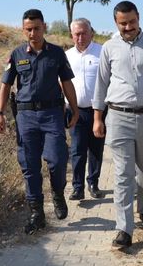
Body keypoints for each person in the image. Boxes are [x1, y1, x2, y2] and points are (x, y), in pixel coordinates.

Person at [92, 0, 143, 249]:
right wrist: (98, 117)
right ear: (116, 23)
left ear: (138, 18)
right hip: (118, 117)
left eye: (131, 22)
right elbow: (101, 84)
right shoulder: (109, 48)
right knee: (123, 174)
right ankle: (124, 229)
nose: (128, 27)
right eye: (122, 23)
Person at [0, 9, 80, 235]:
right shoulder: (16, 54)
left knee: (58, 159)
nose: (33, 33)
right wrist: (0, 114)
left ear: (44, 27)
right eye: (28, 29)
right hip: (26, 117)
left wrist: (75, 108)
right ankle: (37, 213)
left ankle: (58, 193)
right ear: (24, 30)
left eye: (37, 28)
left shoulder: (57, 54)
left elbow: (67, 82)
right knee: (29, 166)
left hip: (52, 114)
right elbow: (5, 85)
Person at [65, 18, 105, 201]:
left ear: (91, 33)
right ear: (72, 35)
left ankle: (93, 183)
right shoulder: (66, 56)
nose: (80, 37)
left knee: (96, 149)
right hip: (75, 111)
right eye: (76, 34)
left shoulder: (102, 53)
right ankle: (77, 187)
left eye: (84, 33)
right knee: (77, 150)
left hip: (98, 111)